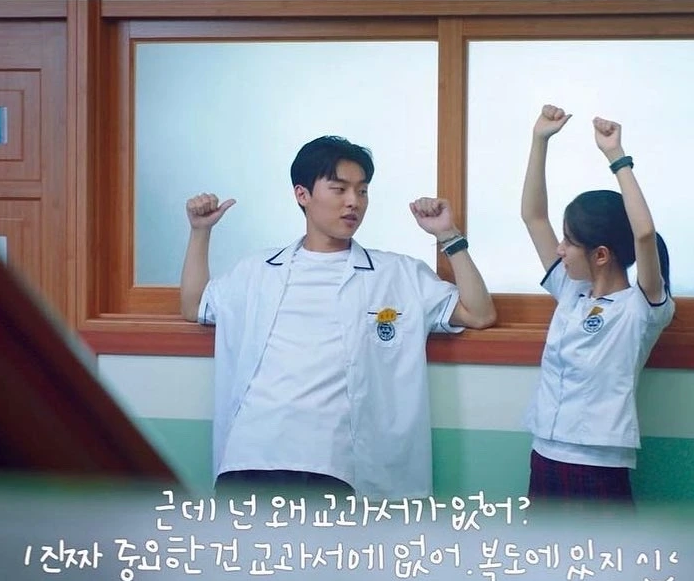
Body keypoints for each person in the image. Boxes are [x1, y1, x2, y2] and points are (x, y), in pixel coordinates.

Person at [180, 135, 497, 501]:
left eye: (362, 191)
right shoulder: (256, 271)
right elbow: (195, 305)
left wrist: (448, 235)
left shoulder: (398, 274)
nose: (353, 202)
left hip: (332, 464)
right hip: (251, 454)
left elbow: (479, 313)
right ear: (302, 195)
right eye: (339, 189)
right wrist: (200, 231)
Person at [519, 104, 674, 507]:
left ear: (601, 254)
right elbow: (533, 216)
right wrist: (539, 139)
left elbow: (644, 233)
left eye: (569, 242)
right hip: (544, 453)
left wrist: (615, 156)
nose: (559, 249)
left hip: (598, 465)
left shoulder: (640, 307)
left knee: (603, 552)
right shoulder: (571, 290)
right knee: (543, 550)